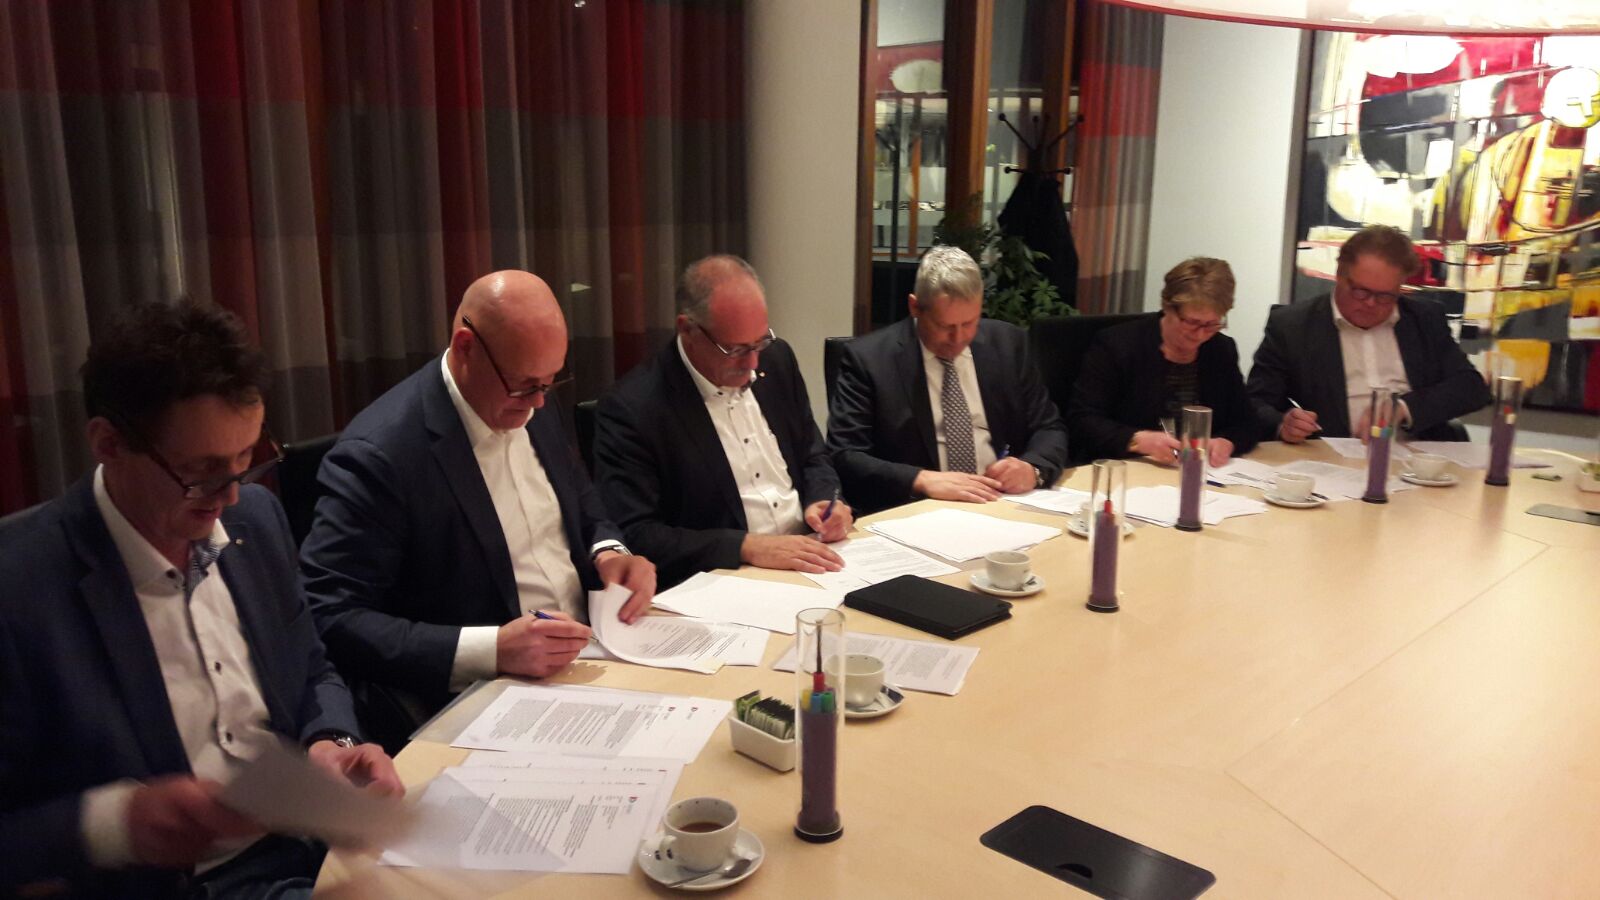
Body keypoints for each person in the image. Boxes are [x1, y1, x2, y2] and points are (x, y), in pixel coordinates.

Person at [0, 302, 402, 897]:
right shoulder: (21, 587)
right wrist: (117, 823)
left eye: (246, 461)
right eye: (201, 473)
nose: (230, 498)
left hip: (313, 850)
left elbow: (311, 666)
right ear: (108, 442)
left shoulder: (256, 520)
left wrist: (330, 742)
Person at [301, 271, 657, 752]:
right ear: (465, 347)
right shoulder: (382, 455)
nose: (537, 404)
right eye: (524, 386)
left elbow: (580, 500)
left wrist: (608, 551)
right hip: (486, 702)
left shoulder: (530, 398)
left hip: (593, 658)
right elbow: (330, 615)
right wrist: (489, 650)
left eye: (549, 384)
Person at [594, 256, 853, 589]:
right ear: (687, 329)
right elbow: (637, 533)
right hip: (727, 580)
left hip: (814, 555)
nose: (753, 363)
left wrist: (825, 500)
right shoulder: (634, 408)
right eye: (735, 349)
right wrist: (746, 546)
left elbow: (812, 454)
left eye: (760, 341)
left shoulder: (777, 359)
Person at [827, 245, 1070, 513]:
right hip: (918, 510)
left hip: (1001, 501)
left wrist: (1032, 468)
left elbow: (1049, 427)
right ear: (915, 307)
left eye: (969, 323)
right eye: (945, 326)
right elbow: (846, 455)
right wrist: (921, 479)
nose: (959, 338)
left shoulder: (1008, 344)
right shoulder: (870, 360)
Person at [1248, 224, 1490, 443]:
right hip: (1332, 457)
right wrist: (1284, 424)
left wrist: (1405, 408)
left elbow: (1471, 387)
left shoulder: (1424, 319)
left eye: (1385, 296)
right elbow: (1256, 403)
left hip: (1415, 457)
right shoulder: (1293, 326)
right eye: (1361, 292)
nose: (1371, 304)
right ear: (1339, 274)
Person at [1068, 257, 1259, 466]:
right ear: (1167, 307)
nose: (1200, 334)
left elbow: (1247, 421)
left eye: (1212, 324)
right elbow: (1082, 420)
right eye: (1192, 322)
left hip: (1198, 471)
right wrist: (1137, 440)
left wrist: (1227, 442)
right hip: (1129, 468)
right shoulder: (1118, 345)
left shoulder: (1220, 349)